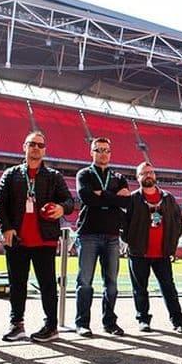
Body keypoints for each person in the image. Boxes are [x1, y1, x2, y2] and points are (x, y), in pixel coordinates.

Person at [0, 131, 74, 343]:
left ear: (44, 149)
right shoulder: (11, 174)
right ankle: (17, 324)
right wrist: (6, 228)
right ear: (25, 147)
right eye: (32, 144)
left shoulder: (54, 176)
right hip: (17, 239)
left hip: (45, 239)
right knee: (17, 283)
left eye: (40, 145)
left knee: (47, 284)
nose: (36, 148)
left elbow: (69, 201)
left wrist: (61, 208)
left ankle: (51, 326)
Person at [123, 162, 182, 334]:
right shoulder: (133, 199)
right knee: (140, 289)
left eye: (150, 172)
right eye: (143, 173)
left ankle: (178, 321)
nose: (148, 175)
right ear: (137, 178)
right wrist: (131, 241)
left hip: (162, 253)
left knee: (169, 288)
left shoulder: (168, 198)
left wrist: (171, 244)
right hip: (139, 253)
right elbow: (123, 224)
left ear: (155, 175)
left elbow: (178, 223)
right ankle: (143, 320)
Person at [73, 137, 130, 337]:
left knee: (112, 283)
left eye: (106, 150)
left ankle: (110, 322)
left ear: (110, 153)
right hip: (88, 234)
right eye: (99, 149)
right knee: (85, 281)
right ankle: (82, 323)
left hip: (112, 235)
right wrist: (113, 196)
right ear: (92, 152)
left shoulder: (119, 176)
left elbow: (126, 203)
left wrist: (102, 194)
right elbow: (86, 197)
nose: (103, 153)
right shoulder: (84, 174)